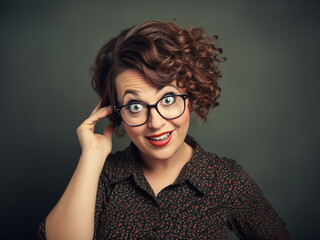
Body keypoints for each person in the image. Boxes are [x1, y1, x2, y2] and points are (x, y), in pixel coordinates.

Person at [37, 20, 291, 239]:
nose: (155, 122)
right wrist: (91, 157)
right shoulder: (103, 177)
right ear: (117, 112)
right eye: (135, 105)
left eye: (168, 100)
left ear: (189, 97)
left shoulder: (226, 180)